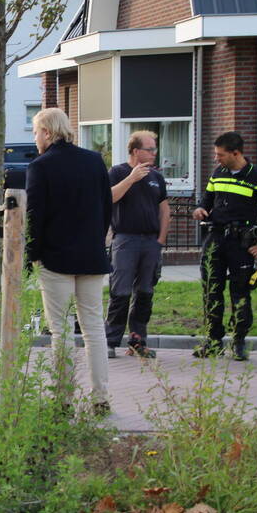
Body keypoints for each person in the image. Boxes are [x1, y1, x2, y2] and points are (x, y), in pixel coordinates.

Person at [26, 107, 112, 415]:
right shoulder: (94, 161)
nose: (35, 139)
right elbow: (106, 208)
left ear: (47, 133)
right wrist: (95, 241)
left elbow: (34, 218)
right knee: (93, 329)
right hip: (91, 256)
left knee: (60, 330)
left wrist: (31, 255)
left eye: (36, 132)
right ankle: (101, 398)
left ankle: (63, 399)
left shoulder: (41, 166)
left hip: (56, 257)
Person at [192, 131, 257, 361]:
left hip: (241, 244)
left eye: (220, 155)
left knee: (240, 293)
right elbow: (207, 200)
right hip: (215, 239)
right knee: (211, 291)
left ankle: (239, 341)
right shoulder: (218, 173)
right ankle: (213, 342)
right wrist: (200, 209)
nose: (216, 159)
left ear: (236, 153)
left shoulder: (256, 176)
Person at [105, 130, 169, 359]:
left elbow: (164, 209)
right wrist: (132, 178)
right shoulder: (117, 172)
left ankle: (137, 340)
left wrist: (160, 240)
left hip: (150, 241)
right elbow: (109, 197)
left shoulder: (156, 177)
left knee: (145, 292)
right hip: (125, 240)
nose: (154, 153)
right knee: (120, 291)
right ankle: (111, 340)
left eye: (155, 149)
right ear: (135, 151)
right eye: (149, 149)